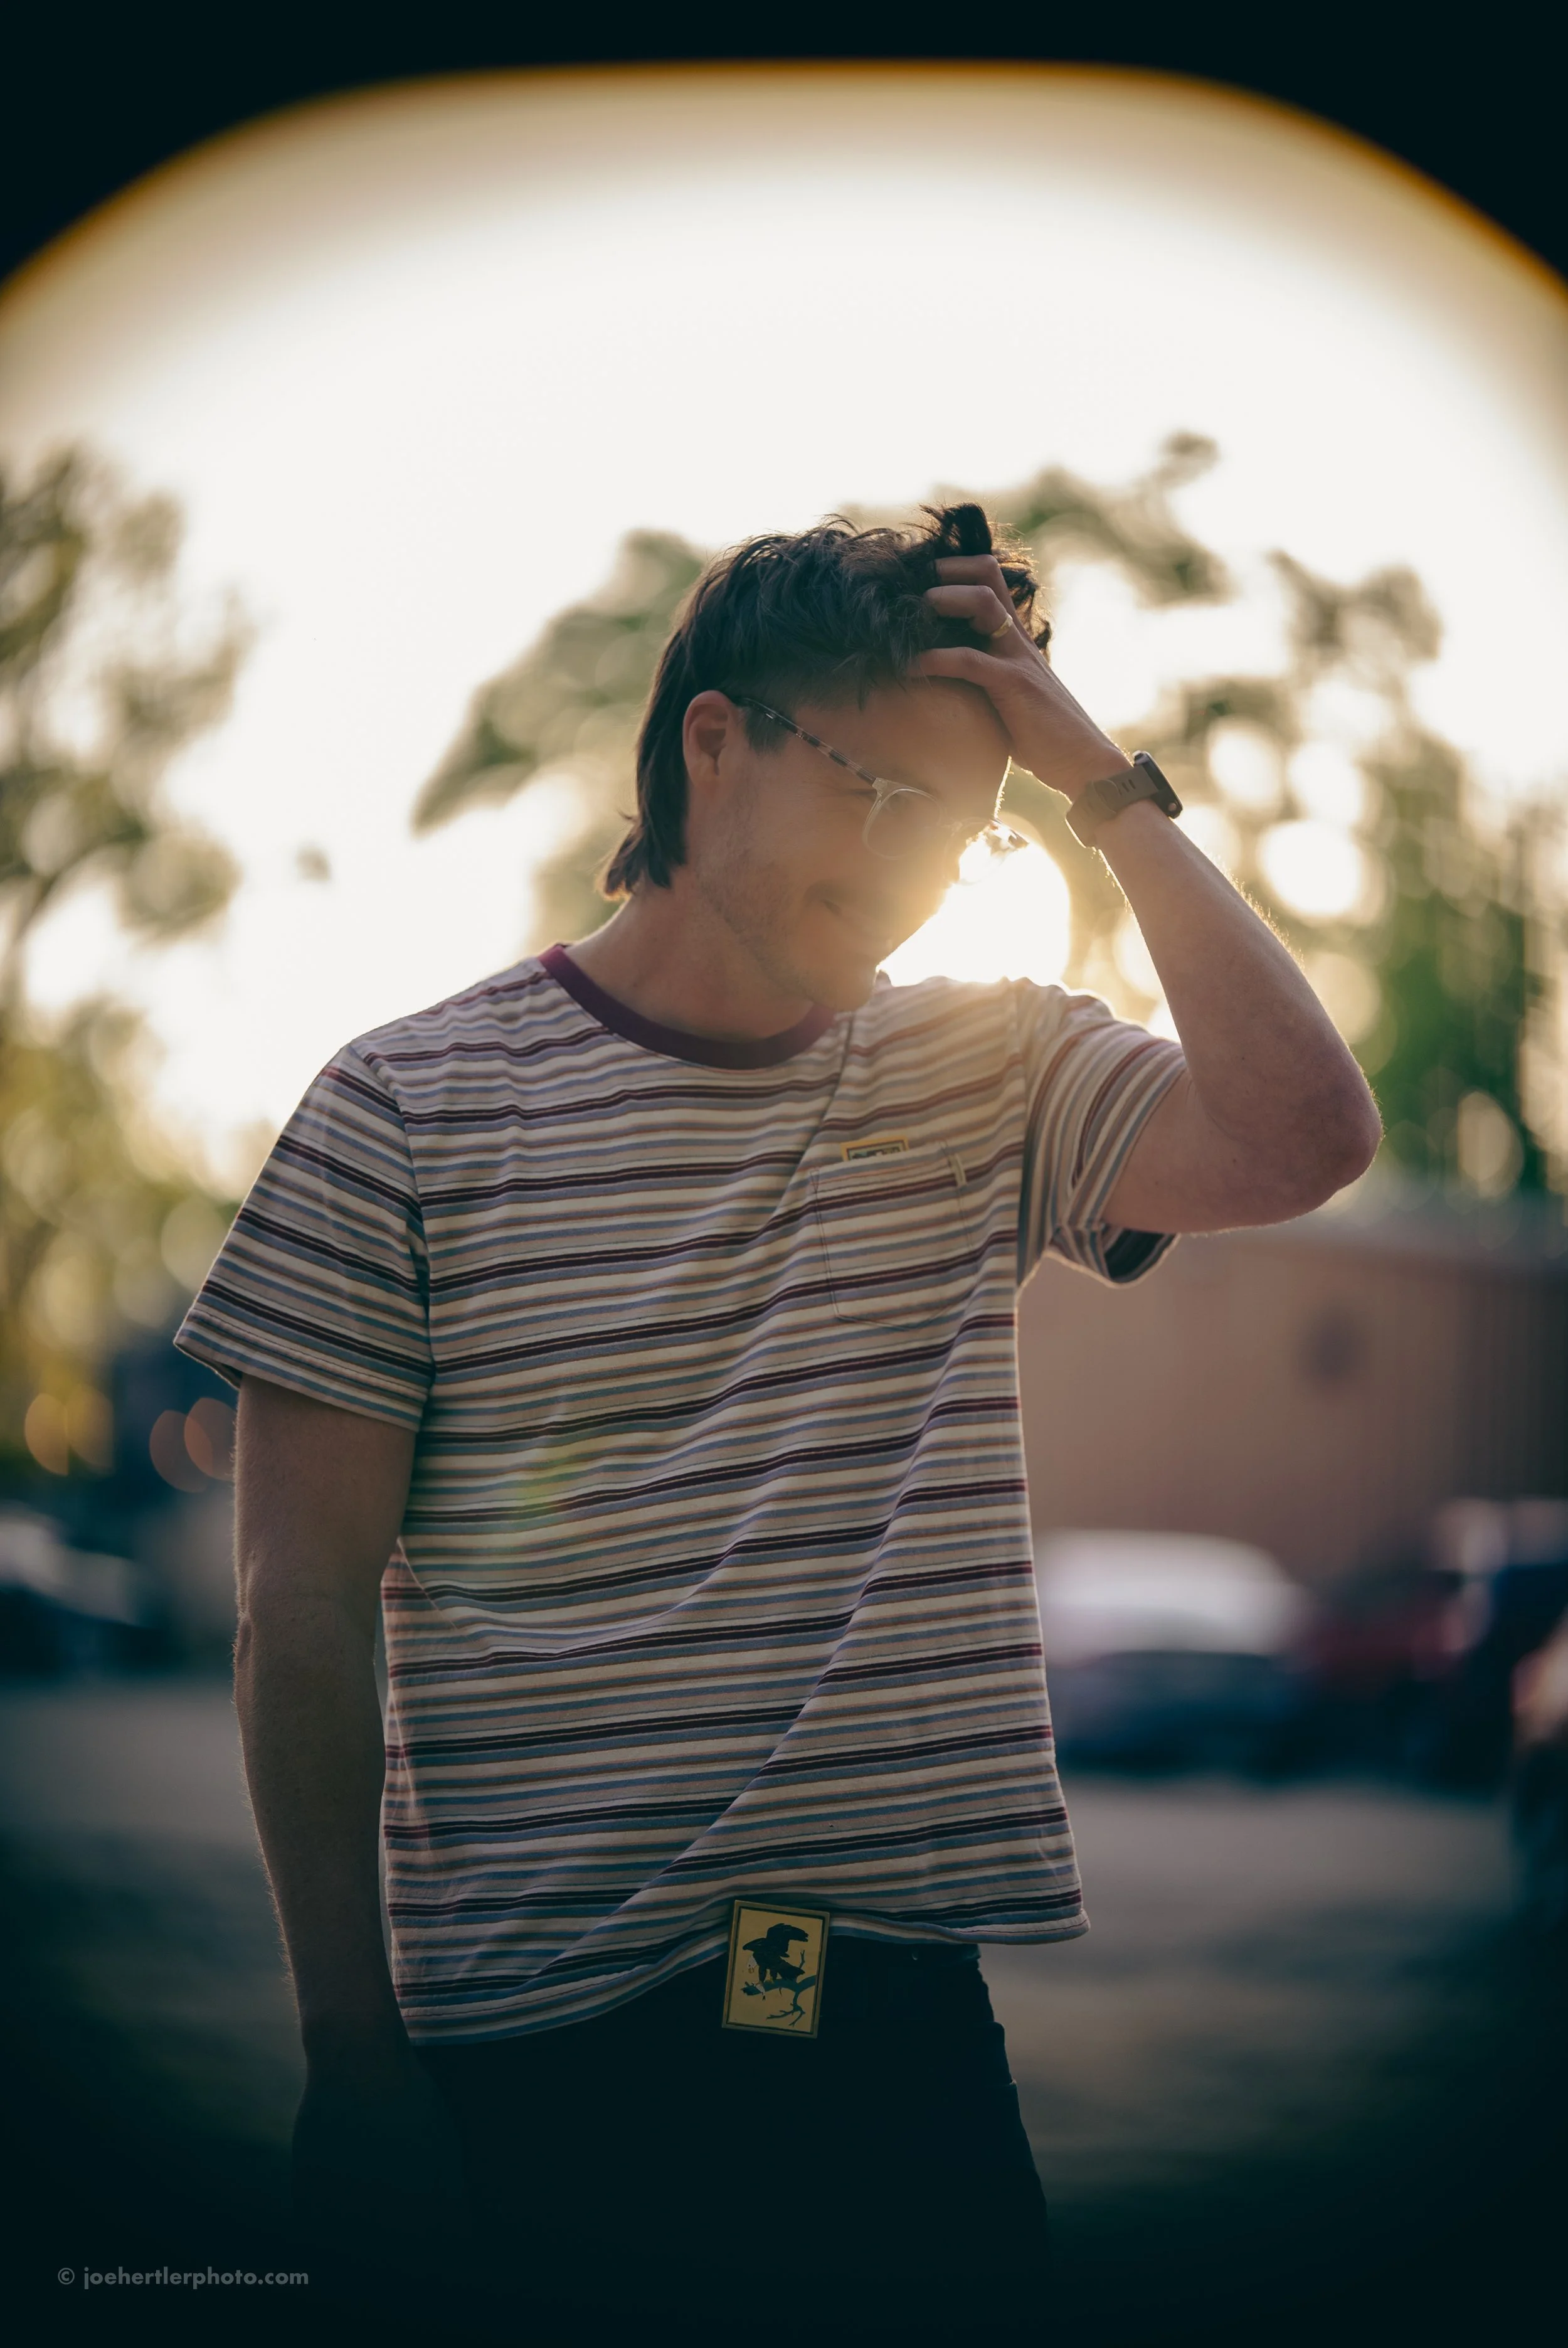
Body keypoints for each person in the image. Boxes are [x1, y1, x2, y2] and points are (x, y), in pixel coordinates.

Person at [176, 503, 1380, 2342]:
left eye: (957, 827)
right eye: (870, 793)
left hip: (892, 2038)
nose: (913, 872)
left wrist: (1095, 782)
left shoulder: (985, 1065)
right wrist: (349, 2051)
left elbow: (1306, 1137)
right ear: (709, 742)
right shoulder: (401, 1112)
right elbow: (304, 1607)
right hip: (539, 2053)